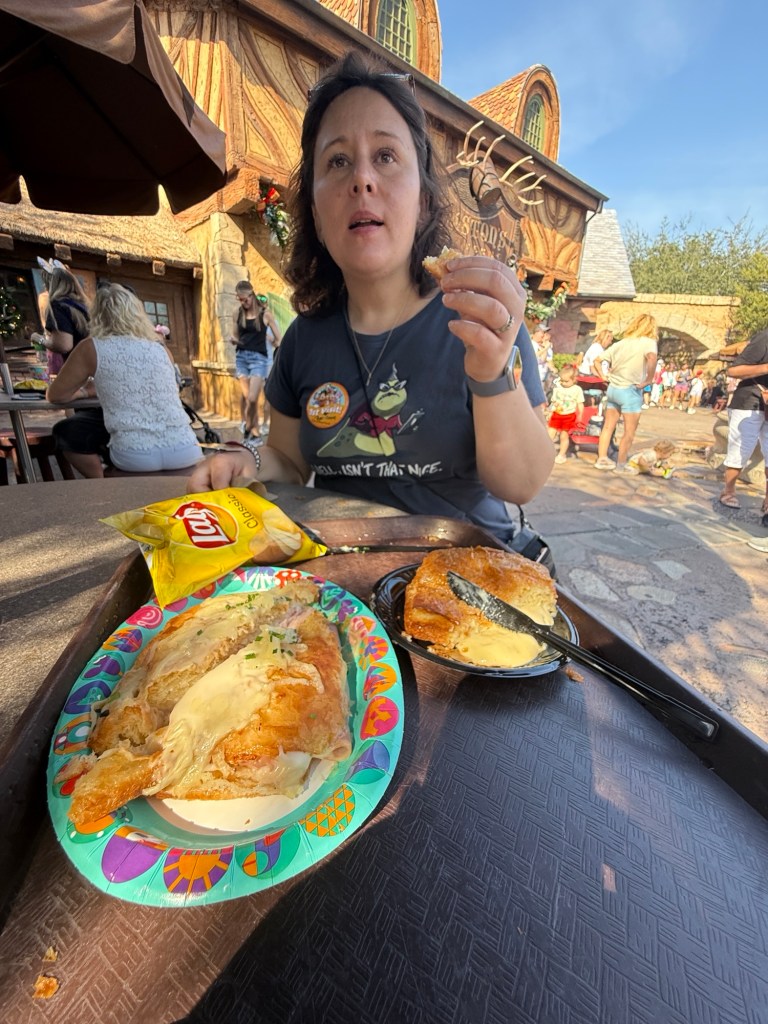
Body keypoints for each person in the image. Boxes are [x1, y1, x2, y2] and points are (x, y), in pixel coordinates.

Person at [189, 51, 553, 543]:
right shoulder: (302, 342)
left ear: (423, 203)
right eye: (337, 161)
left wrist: (491, 373)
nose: (362, 179)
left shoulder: (479, 319)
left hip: (468, 570)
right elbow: (290, 462)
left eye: (385, 156)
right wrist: (246, 459)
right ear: (316, 215)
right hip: (344, 575)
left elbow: (522, 484)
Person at [47, 284, 201, 476]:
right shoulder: (160, 348)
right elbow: (172, 389)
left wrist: (85, 391)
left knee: (67, 431)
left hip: (134, 455)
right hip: (186, 448)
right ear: (138, 314)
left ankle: (101, 484)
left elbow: (55, 395)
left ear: (97, 315)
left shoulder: (91, 347)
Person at [593, 313, 658, 472]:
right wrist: (649, 379)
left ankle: (602, 458)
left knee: (608, 427)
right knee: (629, 432)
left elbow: (597, 360)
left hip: (613, 388)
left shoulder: (622, 343)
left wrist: (603, 376)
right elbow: (651, 358)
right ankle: (621, 464)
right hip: (630, 389)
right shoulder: (649, 342)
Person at [718, 328, 768, 513]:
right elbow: (733, 370)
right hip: (750, 400)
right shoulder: (765, 337)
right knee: (741, 448)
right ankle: (728, 491)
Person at [229, 283, 282, 440]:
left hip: (260, 360)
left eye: (245, 299)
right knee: (247, 399)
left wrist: (272, 341)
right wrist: (234, 339)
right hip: (241, 358)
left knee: (253, 399)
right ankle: (254, 433)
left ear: (251, 296)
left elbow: (279, 340)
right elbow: (235, 335)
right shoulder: (237, 313)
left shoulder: (265, 315)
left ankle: (249, 428)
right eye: (240, 300)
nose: (243, 303)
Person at [547, 365, 584, 464]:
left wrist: (580, 414)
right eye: (562, 381)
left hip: (569, 415)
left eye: (566, 381)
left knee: (564, 436)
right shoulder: (558, 388)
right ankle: (545, 451)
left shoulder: (577, 390)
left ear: (574, 379)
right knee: (550, 434)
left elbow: (580, 403)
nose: (563, 383)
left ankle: (561, 454)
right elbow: (554, 402)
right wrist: (550, 411)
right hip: (557, 414)